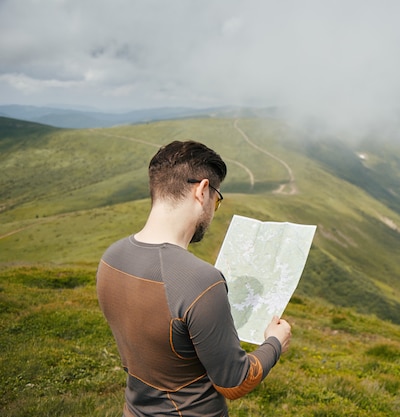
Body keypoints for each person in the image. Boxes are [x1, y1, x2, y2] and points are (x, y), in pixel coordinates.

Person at [96, 140, 291, 417]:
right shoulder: (201, 281)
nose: (213, 209)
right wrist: (274, 342)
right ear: (202, 190)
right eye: (217, 199)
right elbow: (235, 382)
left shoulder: (111, 257)